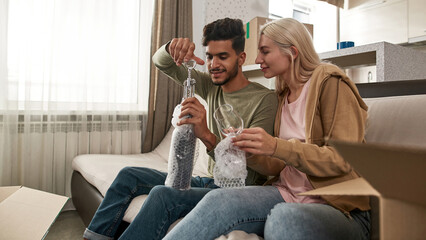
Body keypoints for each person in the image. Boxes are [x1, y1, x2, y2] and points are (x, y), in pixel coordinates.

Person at [161, 18, 371, 240]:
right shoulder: (282, 96)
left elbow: (344, 159)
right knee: (219, 199)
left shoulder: (330, 82)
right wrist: (250, 152)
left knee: (284, 217)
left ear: (292, 52)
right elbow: (276, 166)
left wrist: (276, 146)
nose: (257, 59)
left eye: (265, 51)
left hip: (338, 207)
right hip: (287, 193)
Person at [83, 18, 278, 240]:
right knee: (128, 175)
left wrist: (207, 136)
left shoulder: (265, 100)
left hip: (236, 191)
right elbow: (161, 62)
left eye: (222, 56)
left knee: (162, 195)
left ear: (241, 58)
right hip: (207, 181)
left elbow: (255, 167)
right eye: (210, 56)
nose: (214, 64)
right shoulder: (212, 86)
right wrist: (172, 47)